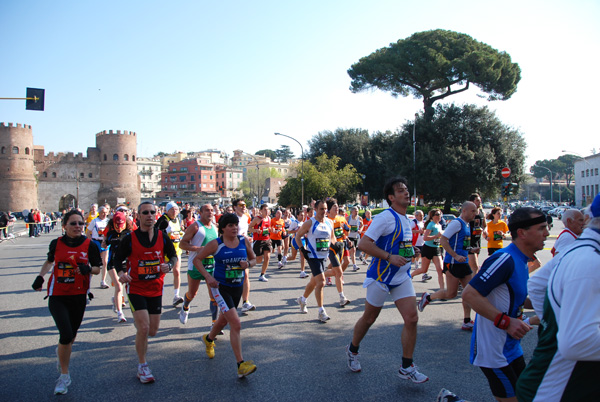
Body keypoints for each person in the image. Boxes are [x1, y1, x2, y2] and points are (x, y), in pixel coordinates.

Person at [516, 195, 600, 401]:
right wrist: (561, 330)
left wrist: (556, 326)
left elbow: (537, 285)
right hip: (556, 391)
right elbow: (576, 343)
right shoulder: (589, 259)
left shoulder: (583, 250)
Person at [346, 177, 428, 383]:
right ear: (391, 197)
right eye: (401, 191)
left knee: (412, 318)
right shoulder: (385, 217)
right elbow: (364, 244)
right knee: (369, 318)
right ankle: (352, 350)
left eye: (407, 190)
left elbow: (400, 245)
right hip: (381, 277)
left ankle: (406, 366)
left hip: (401, 277)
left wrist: (412, 250)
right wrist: (390, 257)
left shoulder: (407, 219)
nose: (406, 193)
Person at [462, 207, 548, 402]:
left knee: (526, 396)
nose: (547, 233)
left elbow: (515, 298)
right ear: (522, 233)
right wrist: (506, 322)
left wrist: (551, 305)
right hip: (493, 351)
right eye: (542, 228)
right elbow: (470, 294)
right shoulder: (504, 259)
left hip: (511, 347)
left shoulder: (523, 259)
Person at [31, 209, 101, 395]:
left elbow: (97, 269)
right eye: (73, 223)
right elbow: (49, 261)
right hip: (57, 295)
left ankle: (62, 355)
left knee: (70, 337)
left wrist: (87, 268)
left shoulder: (90, 245)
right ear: (64, 226)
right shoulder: (57, 243)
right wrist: (40, 277)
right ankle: (64, 375)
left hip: (78, 295)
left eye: (80, 223)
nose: (78, 226)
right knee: (65, 334)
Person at [114, 201, 177, 384]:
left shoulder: (162, 237)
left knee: (153, 331)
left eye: (152, 212)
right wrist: (121, 273)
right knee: (143, 328)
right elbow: (117, 260)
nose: (150, 215)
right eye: (145, 212)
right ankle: (142, 366)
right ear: (138, 216)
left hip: (156, 288)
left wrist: (170, 265)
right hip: (136, 288)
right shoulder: (129, 238)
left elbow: (172, 255)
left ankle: (141, 333)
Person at [194, 213, 258, 378]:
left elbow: (254, 259)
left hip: (237, 287)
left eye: (236, 225)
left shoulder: (244, 241)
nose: (234, 228)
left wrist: (248, 264)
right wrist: (208, 277)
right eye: (230, 225)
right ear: (223, 228)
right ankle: (240, 365)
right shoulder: (216, 244)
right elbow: (197, 260)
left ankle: (209, 339)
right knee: (235, 323)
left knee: (223, 320)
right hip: (221, 287)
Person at [418, 201, 480, 331]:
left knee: (469, 292)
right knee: (451, 294)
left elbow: (460, 243)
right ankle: (428, 297)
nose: (476, 213)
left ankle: (467, 321)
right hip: (452, 263)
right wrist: (455, 255)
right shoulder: (457, 223)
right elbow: (443, 240)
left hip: (463, 263)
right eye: (473, 211)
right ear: (464, 211)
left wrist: (470, 250)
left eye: (476, 210)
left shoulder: (467, 225)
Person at [294, 200, 340, 321]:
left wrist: (336, 245)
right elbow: (298, 236)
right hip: (313, 256)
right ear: (315, 209)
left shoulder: (330, 222)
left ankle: (302, 299)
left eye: (325, 209)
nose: (324, 212)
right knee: (321, 282)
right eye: (321, 209)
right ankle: (321, 311)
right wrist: (302, 250)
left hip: (323, 256)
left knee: (314, 282)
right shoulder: (310, 223)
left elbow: (332, 238)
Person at [178, 204, 219, 327]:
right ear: (200, 212)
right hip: (195, 265)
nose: (210, 213)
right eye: (207, 210)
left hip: (211, 265)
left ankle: (214, 324)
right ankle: (185, 307)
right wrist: (198, 249)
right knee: (192, 294)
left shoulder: (214, 227)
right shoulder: (195, 226)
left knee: (214, 295)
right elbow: (182, 244)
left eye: (212, 210)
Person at [103, 211, 133, 323]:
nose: (119, 228)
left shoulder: (130, 233)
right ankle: (120, 313)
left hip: (125, 263)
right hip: (113, 263)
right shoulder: (110, 233)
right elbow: (104, 243)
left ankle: (116, 300)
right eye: (117, 226)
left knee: (127, 286)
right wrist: (104, 244)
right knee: (119, 286)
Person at [156, 201, 185, 306]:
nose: (174, 211)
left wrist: (182, 234)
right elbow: (155, 232)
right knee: (160, 275)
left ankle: (176, 296)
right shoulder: (163, 220)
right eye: (172, 209)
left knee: (177, 271)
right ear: (167, 211)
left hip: (176, 250)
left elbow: (179, 231)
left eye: (176, 209)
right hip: (164, 252)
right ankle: (157, 295)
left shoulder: (178, 219)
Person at [231, 199, 256, 314]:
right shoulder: (231, 218)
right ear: (235, 207)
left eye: (245, 205)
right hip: (233, 249)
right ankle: (230, 302)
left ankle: (245, 302)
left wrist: (249, 237)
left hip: (244, 248)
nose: (244, 207)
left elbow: (247, 231)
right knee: (234, 277)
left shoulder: (246, 217)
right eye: (241, 205)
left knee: (245, 275)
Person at [412, 209, 444, 288]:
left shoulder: (439, 225)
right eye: (437, 214)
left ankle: (442, 290)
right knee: (423, 270)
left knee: (440, 270)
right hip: (428, 248)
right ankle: (410, 275)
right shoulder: (431, 225)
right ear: (432, 216)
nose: (439, 216)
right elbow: (425, 238)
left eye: (440, 214)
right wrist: (436, 236)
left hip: (436, 249)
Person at [87, 206, 110, 289]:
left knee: (105, 262)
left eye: (105, 213)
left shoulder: (108, 221)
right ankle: (88, 281)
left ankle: (103, 281)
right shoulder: (94, 221)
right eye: (102, 213)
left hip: (104, 242)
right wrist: (90, 242)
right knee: (95, 263)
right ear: (99, 213)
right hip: (96, 242)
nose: (104, 214)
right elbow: (88, 232)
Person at [249, 204, 272, 282]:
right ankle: (248, 262)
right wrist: (256, 230)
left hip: (267, 240)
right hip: (258, 241)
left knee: (267, 257)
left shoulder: (269, 218)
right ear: (261, 211)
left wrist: (272, 230)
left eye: (267, 209)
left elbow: (268, 228)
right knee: (259, 260)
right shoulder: (257, 219)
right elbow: (249, 228)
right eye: (265, 209)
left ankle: (262, 274)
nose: (266, 211)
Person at [468, 193, 485, 276]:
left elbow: (485, 225)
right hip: (469, 241)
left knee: (471, 265)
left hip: (477, 240)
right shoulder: (469, 212)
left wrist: (485, 231)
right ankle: (472, 286)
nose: (479, 202)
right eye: (477, 200)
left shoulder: (482, 212)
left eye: (480, 200)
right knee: (475, 267)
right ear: (472, 202)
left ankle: (462, 281)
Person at [347, 206, 363, 271]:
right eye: (355, 211)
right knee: (353, 250)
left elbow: (362, 225)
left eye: (357, 211)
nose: (357, 212)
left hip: (355, 236)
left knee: (353, 251)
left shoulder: (359, 218)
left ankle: (353, 264)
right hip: (349, 236)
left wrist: (360, 230)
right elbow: (343, 224)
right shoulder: (348, 218)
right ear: (352, 211)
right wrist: (347, 229)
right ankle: (354, 265)